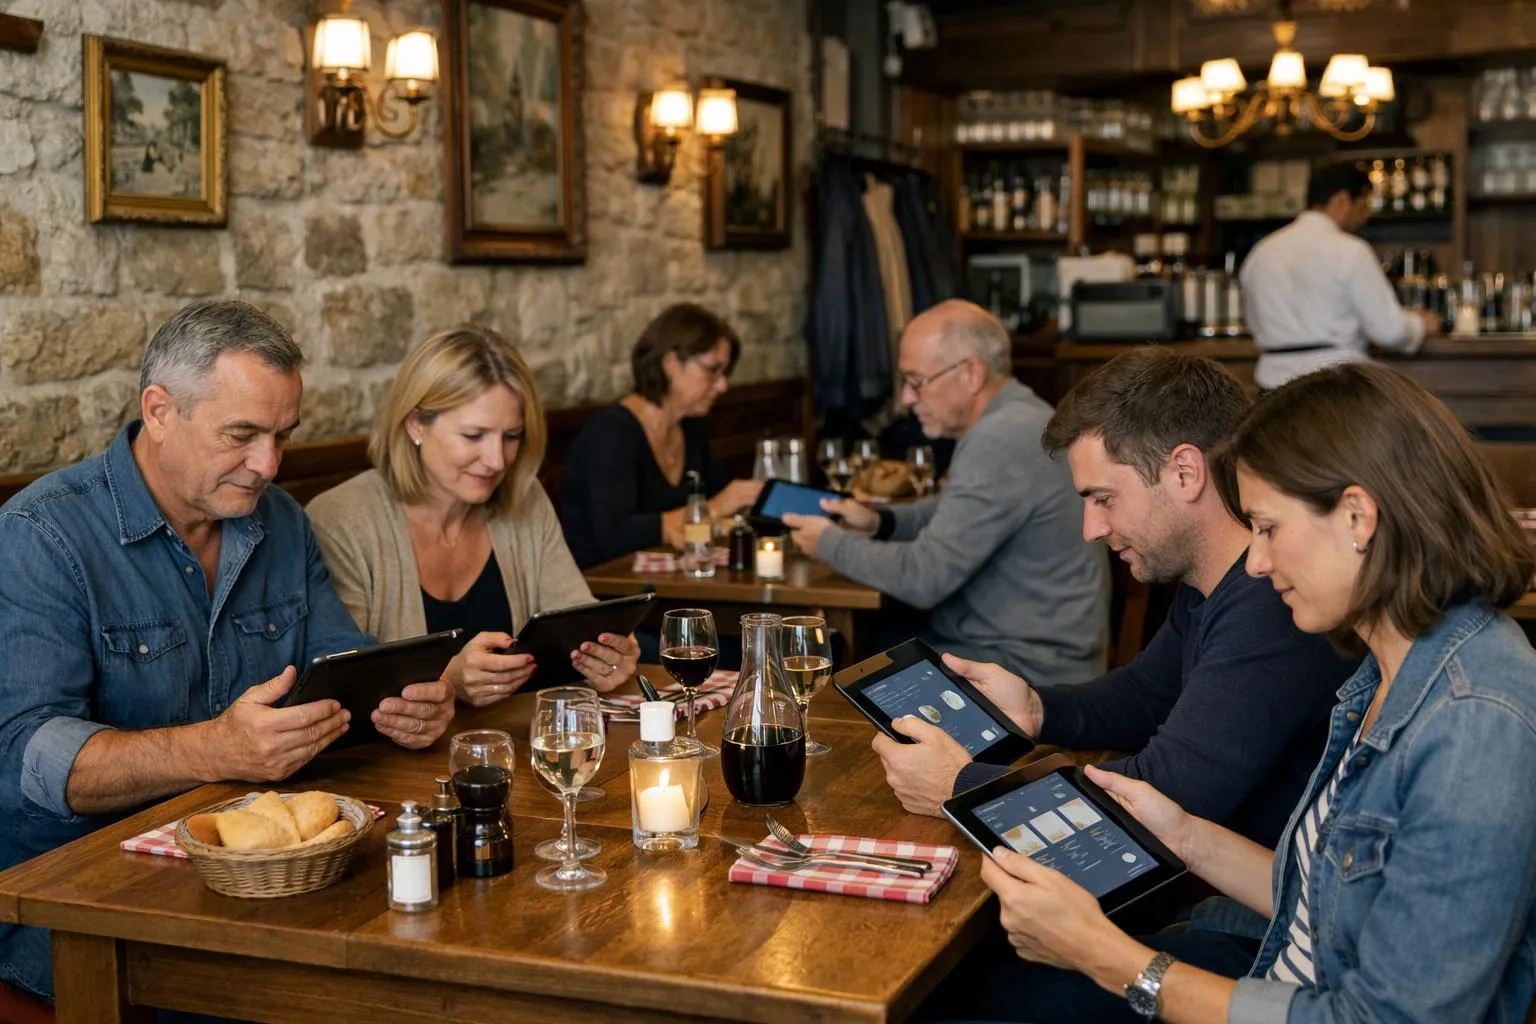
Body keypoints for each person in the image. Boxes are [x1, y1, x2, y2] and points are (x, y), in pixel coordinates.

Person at [932, 362, 1536, 1023]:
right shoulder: (1388, 672)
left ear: (1358, 517)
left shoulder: (1476, 720)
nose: (1255, 561)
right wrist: (1186, 836)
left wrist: (1107, 956)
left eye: (1269, 528)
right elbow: (1326, 902)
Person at [0, 301, 456, 1004]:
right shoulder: (42, 535)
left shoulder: (280, 521)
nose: (268, 464)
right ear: (159, 412)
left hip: (270, 881)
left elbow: (340, 666)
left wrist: (401, 704)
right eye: (242, 434)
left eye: (282, 436)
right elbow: (27, 759)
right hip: (87, 910)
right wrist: (214, 750)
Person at [871, 348, 1357, 851]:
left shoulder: (1271, 604)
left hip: (1245, 918)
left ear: (1185, 473)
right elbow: (1145, 694)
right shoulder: (1212, 583)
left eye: (1104, 499)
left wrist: (960, 784)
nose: (1092, 529)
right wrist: (1037, 710)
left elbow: (1163, 799)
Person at [307, 326, 640, 706]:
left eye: (511, 436)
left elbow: (578, 618)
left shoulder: (523, 496)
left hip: (514, 742)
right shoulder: (343, 518)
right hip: (395, 762)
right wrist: (448, 679)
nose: (497, 461)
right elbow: (344, 684)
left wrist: (609, 654)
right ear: (416, 423)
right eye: (473, 436)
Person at [784, 299, 1108, 688]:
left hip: (1024, 671)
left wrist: (828, 542)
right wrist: (882, 521)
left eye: (916, 381)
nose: (906, 398)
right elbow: (953, 508)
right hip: (1032, 652)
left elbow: (924, 577)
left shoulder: (1000, 437)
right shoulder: (1022, 413)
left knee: (825, 664)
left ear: (971, 374)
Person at [560, 304, 762, 569]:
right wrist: (714, 509)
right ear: (670, 363)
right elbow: (614, 536)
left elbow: (718, 500)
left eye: (725, 374)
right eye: (712, 370)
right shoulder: (611, 434)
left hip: (669, 584)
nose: (722, 386)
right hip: (606, 592)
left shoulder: (690, 428)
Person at [1240, 161, 1441, 391]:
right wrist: (1420, 324)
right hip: (1335, 387)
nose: (1364, 216)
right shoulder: (1350, 250)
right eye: (1363, 205)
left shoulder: (1261, 252)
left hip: (1271, 386)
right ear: (1342, 200)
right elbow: (1389, 331)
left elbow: (1253, 321)